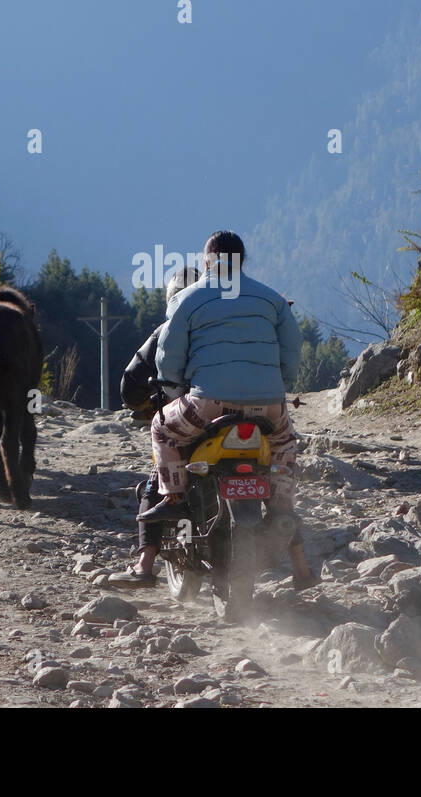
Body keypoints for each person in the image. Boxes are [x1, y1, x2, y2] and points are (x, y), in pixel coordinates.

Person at [129, 230, 319, 590]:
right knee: (282, 455)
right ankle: (295, 551)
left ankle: (171, 498)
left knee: (161, 429)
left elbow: (167, 357)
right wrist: (277, 382)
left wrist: (173, 390)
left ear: (206, 263)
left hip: (209, 404)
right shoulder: (273, 300)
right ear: (242, 262)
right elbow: (292, 353)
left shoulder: (187, 299)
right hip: (270, 409)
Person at [106, 266, 198, 588]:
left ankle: (145, 565)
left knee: (157, 484)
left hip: (188, 419)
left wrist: (144, 407)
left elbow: (130, 384)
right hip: (238, 414)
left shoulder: (165, 332)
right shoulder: (223, 327)